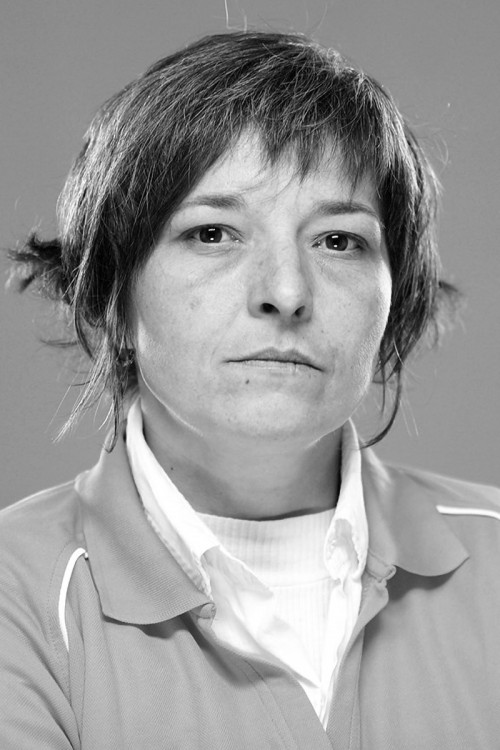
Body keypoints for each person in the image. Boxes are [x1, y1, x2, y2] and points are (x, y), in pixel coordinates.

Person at [1, 30, 499, 750]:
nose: (286, 292)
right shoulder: (17, 593)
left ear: (397, 301)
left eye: (339, 240)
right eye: (213, 233)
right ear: (110, 296)